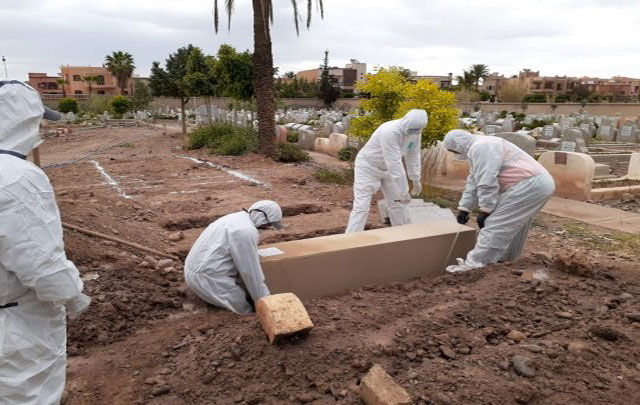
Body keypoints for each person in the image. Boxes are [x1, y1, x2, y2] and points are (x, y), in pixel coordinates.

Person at [0, 79, 91, 404]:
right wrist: (73, 296)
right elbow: (40, 263)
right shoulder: (17, 177)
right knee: (27, 395)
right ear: (22, 119)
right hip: (14, 323)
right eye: (38, 118)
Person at [443, 129, 555, 273]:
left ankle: (475, 266)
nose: (455, 154)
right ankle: (507, 260)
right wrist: (464, 208)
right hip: (538, 183)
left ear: (458, 145)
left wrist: (486, 209)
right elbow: (474, 180)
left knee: (495, 225)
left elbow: (486, 180)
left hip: (528, 184)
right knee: (514, 224)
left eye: (453, 150)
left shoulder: (482, 146)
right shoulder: (479, 146)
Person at [184, 200, 284, 314]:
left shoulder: (237, 218)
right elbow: (251, 273)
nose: (268, 227)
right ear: (261, 216)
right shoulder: (245, 232)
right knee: (244, 311)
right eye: (269, 223)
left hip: (194, 269)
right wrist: (266, 302)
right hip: (209, 279)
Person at [345, 109, 428, 233]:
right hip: (368, 167)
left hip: (389, 171)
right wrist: (404, 191)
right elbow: (394, 163)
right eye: (412, 130)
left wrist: (416, 179)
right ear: (405, 121)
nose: (413, 133)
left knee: (398, 204)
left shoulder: (416, 131)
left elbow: (413, 155)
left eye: (416, 131)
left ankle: (401, 236)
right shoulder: (389, 131)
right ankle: (350, 240)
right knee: (361, 207)